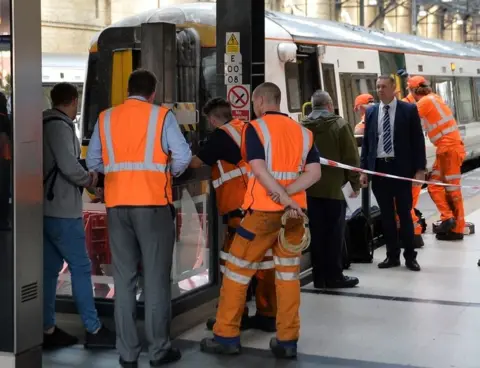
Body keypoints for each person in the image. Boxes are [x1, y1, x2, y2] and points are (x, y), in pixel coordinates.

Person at [200, 82, 321, 359]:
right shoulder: (304, 133)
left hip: (263, 214)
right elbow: (314, 173)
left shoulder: (257, 129)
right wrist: (290, 194)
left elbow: (258, 168)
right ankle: (287, 340)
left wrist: (279, 194)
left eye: (255, 103)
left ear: (261, 101)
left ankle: (227, 335)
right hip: (294, 218)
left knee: (236, 271)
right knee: (288, 277)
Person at [86, 69, 191, 367]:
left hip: (118, 207)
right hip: (153, 206)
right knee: (156, 281)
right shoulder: (161, 116)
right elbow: (182, 157)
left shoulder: (106, 117)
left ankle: (127, 354)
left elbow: (94, 161)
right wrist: (165, 174)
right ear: (153, 93)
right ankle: (158, 351)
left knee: (124, 279)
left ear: (128, 90)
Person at [189, 97, 277, 332]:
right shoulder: (246, 128)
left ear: (212, 119)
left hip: (239, 210)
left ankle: (233, 317)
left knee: (232, 265)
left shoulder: (220, 136)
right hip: (260, 205)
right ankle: (268, 314)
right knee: (264, 260)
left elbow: (196, 163)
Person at [42, 82, 116, 350]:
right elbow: (70, 167)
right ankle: (93, 329)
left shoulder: (39, 122)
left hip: (43, 210)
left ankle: (47, 328)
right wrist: (92, 179)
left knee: (49, 270)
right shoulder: (60, 127)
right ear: (73, 101)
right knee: (81, 268)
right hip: (62, 210)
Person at [360, 75, 426, 271]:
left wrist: (420, 170)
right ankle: (392, 256)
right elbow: (367, 143)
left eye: (383, 86)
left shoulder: (408, 110)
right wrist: (364, 170)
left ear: (393, 88)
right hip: (380, 169)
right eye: (377, 86)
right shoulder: (371, 112)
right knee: (386, 216)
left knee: (404, 214)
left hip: (401, 169)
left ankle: (410, 257)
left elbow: (418, 141)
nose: (379, 90)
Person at [302, 90, 360, 288]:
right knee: (334, 234)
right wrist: (355, 183)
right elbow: (350, 158)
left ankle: (319, 277)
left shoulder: (302, 126)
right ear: (330, 105)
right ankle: (334, 276)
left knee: (316, 235)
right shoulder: (340, 125)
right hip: (335, 191)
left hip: (308, 189)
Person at [408, 75, 465, 241]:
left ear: (413, 91)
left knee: (453, 190)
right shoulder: (434, 98)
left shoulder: (425, 102)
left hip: (449, 149)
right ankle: (448, 219)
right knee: (434, 185)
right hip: (447, 148)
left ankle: (457, 229)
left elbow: (407, 118)